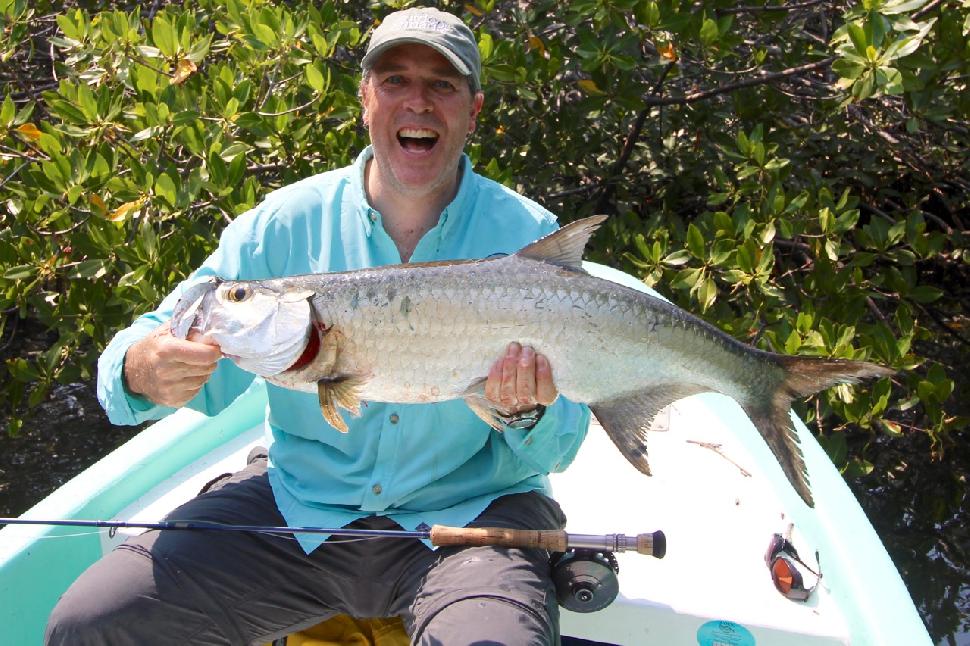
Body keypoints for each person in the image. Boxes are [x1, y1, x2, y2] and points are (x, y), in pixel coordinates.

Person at [46, 7, 590, 645]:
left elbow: (560, 446)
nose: (417, 102)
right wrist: (144, 368)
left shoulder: (527, 236)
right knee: (95, 623)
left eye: (442, 85)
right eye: (394, 81)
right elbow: (150, 348)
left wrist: (527, 411)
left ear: (472, 111)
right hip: (300, 510)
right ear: (366, 99)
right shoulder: (280, 225)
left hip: (470, 521)